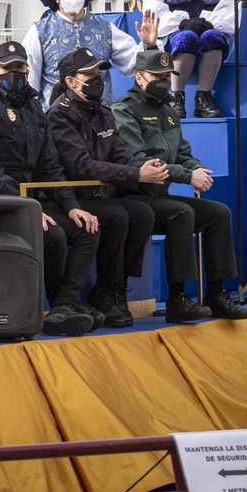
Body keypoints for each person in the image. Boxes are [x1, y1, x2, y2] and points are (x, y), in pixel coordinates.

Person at [0, 40, 104, 336]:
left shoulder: (33, 108)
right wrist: (24, 208)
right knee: (53, 237)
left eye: (20, 67)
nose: (15, 72)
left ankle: (64, 307)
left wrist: (71, 205)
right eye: (8, 67)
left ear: (28, 70)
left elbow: (50, 166)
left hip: (31, 201)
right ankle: (53, 309)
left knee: (86, 227)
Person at [112, 49, 247, 323]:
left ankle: (217, 293)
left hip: (160, 196)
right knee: (181, 212)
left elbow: (183, 153)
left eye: (168, 76)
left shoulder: (168, 112)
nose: (164, 81)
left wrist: (196, 168)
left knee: (218, 213)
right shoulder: (124, 110)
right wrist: (186, 177)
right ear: (139, 78)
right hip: (131, 196)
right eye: (158, 76)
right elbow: (139, 160)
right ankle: (178, 298)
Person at [46, 49, 159, 328]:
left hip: (100, 195)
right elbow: (81, 166)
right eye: (90, 74)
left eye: (99, 72)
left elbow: (120, 154)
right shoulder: (59, 116)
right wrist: (135, 174)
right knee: (117, 215)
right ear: (71, 82)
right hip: (71, 198)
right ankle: (103, 292)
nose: (98, 78)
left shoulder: (103, 112)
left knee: (143, 213)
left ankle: (117, 286)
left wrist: (145, 170)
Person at [21, 0, 157, 107]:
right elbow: (30, 81)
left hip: (101, 118)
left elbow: (133, 64)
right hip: (56, 121)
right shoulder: (39, 31)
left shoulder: (105, 28)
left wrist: (148, 46)